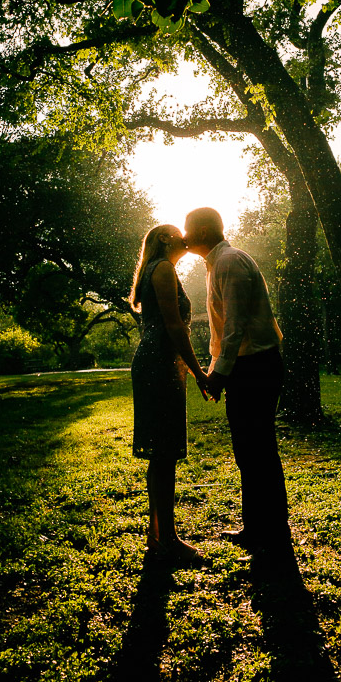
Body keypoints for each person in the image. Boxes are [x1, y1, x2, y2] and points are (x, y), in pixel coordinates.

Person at [183, 207, 291, 554]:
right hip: (246, 367)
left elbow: (235, 326)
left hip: (256, 366)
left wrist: (218, 375)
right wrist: (218, 371)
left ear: (201, 231)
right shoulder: (218, 264)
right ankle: (258, 526)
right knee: (249, 450)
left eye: (188, 229)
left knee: (258, 449)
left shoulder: (229, 262)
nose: (184, 237)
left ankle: (271, 528)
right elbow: (222, 331)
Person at [129, 224, 209, 564]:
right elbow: (175, 326)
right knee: (164, 453)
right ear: (164, 238)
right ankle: (168, 539)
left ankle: (158, 535)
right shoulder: (161, 268)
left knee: (161, 454)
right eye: (179, 233)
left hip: (159, 361)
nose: (185, 238)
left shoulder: (155, 269)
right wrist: (198, 371)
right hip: (161, 362)